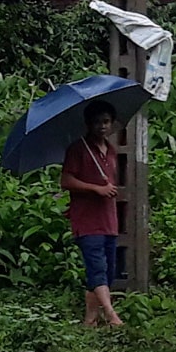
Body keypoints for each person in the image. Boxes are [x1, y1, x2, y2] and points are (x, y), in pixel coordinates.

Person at [58, 99, 126, 329]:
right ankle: (111, 314)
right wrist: (96, 188)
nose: (102, 126)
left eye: (106, 122)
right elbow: (65, 180)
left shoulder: (112, 151)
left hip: (108, 220)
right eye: (97, 122)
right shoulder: (78, 149)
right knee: (97, 268)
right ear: (88, 124)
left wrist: (106, 189)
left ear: (112, 123)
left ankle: (90, 319)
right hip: (87, 221)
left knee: (107, 271)